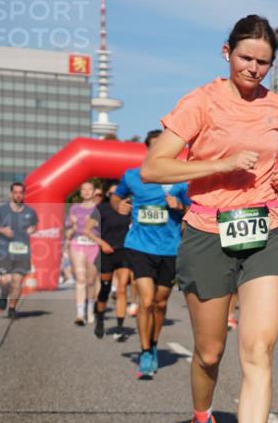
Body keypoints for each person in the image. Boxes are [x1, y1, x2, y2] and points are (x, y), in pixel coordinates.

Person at [142, 15, 278, 423]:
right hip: (207, 234)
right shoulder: (201, 103)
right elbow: (154, 167)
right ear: (226, 52)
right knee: (210, 355)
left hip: (265, 232)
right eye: (245, 58)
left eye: (263, 62)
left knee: (258, 349)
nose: (254, 69)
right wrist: (219, 164)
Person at [113, 130, 191, 378]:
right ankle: (145, 350)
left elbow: (193, 208)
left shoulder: (180, 179)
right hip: (140, 245)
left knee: (160, 303)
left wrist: (180, 206)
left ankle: (155, 344)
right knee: (146, 301)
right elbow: (116, 198)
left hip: (169, 248)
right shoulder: (134, 176)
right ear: (148, 149)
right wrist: (120, 205)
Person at [92, 182, 133, 339]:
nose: (116, 197)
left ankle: (120, 326)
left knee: (122, 289)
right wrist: (102, 243)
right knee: (105, 288)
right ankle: (100, 319)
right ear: (107, 195)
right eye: (111, 194)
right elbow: (88, 230)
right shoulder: (101, 209)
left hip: (124, 252)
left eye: (119, 194)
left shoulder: (129, 210)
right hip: (106, 252)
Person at [0, 182, 38, 319]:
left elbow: (35, 226)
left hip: (22, 251)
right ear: (11, 194)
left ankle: (12, 308)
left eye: (21, 192)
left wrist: (32, 229)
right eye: (15, 192)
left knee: (17, 282)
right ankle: (4, 294)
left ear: (24, 194)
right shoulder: (1, 210)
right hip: (4, 250)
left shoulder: (30, 211)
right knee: (6, 280)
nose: (18, 195)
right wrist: (2, 230)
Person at [67, 181, 102, 325]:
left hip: (94, 245)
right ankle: (80, 314)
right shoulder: (74, 208)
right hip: (78, 243)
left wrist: (94, 222)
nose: (87, 192)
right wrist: (74, 226)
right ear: (80, 193)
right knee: (81, 279)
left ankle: (90, 309)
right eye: (84, 189)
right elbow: (69, 232)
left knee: (91, 281)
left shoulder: (99, 209)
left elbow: (105, 229)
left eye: (90, 189)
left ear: (94, 192)